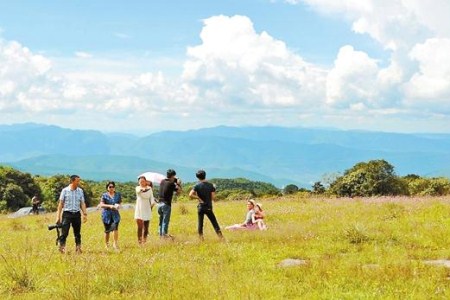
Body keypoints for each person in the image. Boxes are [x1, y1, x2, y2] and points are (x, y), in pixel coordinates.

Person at [55, 175, 88, 254]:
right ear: (72, 181)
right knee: (64, 232)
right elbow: (60, 204)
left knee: (77, 233)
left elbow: (82, 203)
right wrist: (58, 216)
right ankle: (62, 248)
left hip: (76, 214)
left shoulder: (80, 191)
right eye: (77, 181)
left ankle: (78, 248)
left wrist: (85, 214)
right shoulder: (65, 190)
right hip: (67, 214)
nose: (78, 183)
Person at [189, 170, 223, 240]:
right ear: (205, 175)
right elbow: (213, 198)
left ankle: (201, 239)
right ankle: (221, 238)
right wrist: (214, 190)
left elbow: (190, 195)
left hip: (200, 207)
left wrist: (198, 198)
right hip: (208, 207)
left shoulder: (196, 185)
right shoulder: (211, 185)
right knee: (214, 222)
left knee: (200, 223)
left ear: (197, 177)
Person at [157, 169, 182, 239]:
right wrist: (178, 184)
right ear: (173, 176)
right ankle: (164, 236)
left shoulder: (162, 181)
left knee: (161, 220)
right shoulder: (172, 184)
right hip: (166, 204)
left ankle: (160, 235)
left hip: (159, 204)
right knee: (165, 221)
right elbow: (179, 192)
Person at [99, 181, 122, 250]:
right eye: (110, 187)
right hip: (106, 215)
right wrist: (110, 206)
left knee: (115, 229)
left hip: (115, 215)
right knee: (107, 230)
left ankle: (115, 243)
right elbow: (101, 205)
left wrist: (118, 206)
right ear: (107, 188)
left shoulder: (118, 195)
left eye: (113, 187)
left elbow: (120, 203)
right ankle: (107, 244)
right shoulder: (104, 195)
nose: (112, 188)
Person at [135, 175, 156, 245]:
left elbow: (152, 198)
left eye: (143, 181)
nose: (142, 182)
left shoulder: (149, 188)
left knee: (146, 227)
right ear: (138, 182)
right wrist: (142, 189)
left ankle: (145, 241)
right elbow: (138, 191)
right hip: (139, 207)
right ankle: (139, 241)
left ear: (145, 182)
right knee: (140, 227)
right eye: (140, 181)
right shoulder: (137, 188)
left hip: (147, 207)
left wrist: (152, 205)